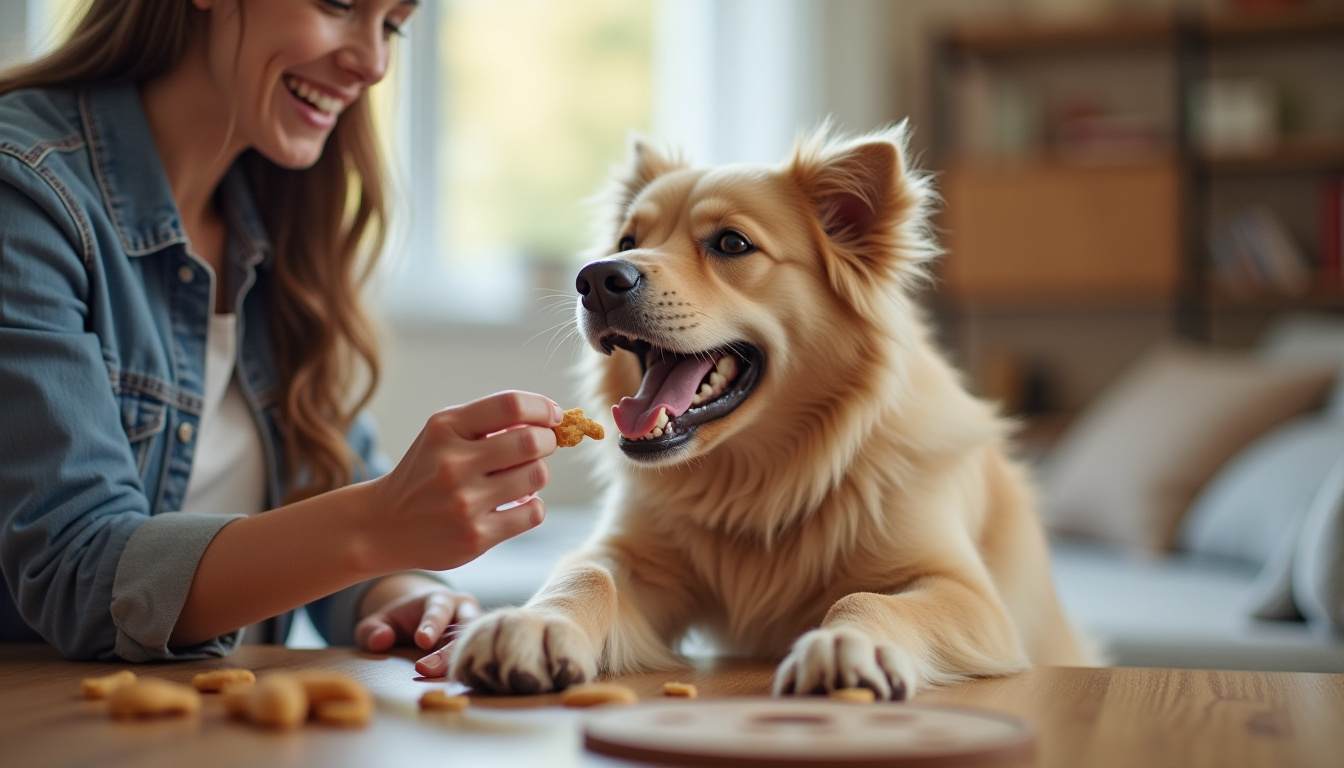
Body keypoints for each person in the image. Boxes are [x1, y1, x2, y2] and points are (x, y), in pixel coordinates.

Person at [0, 0, 560, 679]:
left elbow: (322, 492)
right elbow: (79, 572)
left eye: (392, 24)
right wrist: (377, 524)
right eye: (340, 5)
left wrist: (401, 594)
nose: (374, 62)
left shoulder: (279, 220)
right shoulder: (24, 194)